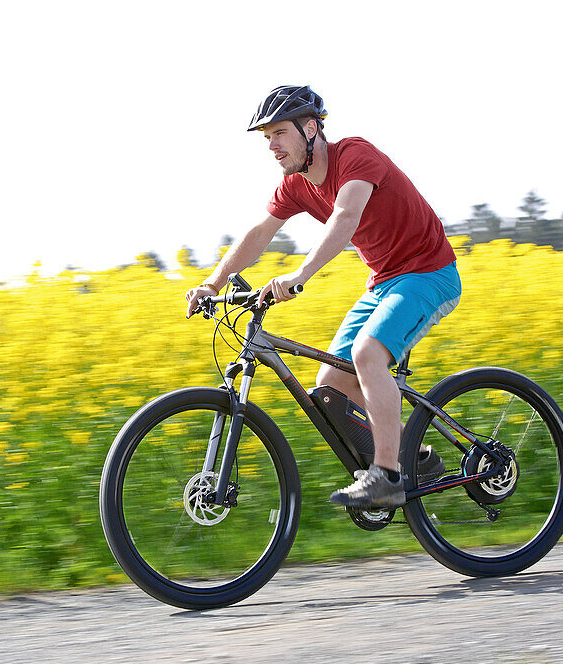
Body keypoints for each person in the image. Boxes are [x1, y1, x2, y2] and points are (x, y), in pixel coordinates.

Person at [185, 85, 461, 509]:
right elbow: (259, 233)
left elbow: (346, 216)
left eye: (279, 133)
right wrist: (213, 283)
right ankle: (415, 457)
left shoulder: (355, 156)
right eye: (267, 138)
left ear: (311, 128)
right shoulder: (296, 185)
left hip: (428, 273)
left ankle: (387, 477)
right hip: (385, 281)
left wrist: (300, 275)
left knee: (368, 356)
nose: (273, 146)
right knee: (331, 385)